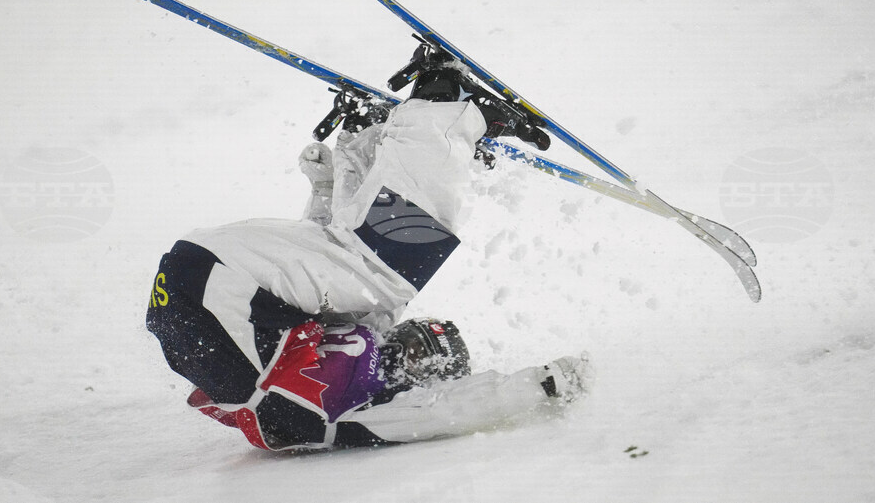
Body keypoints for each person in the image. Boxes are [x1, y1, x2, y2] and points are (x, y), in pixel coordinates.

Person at [146, 52, 594, 451]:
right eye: (417, 344)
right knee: (364, 273)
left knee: (384, 274)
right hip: (202, 282)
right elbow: (326, 252)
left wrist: (543, 387)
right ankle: (375, 135)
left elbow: (440, 412)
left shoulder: (346, 411)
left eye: (417, 352)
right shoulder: (334, 354)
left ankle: (442, 106)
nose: (403, 348)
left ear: (419, 382)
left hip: (213, 293)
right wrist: (338, 171)